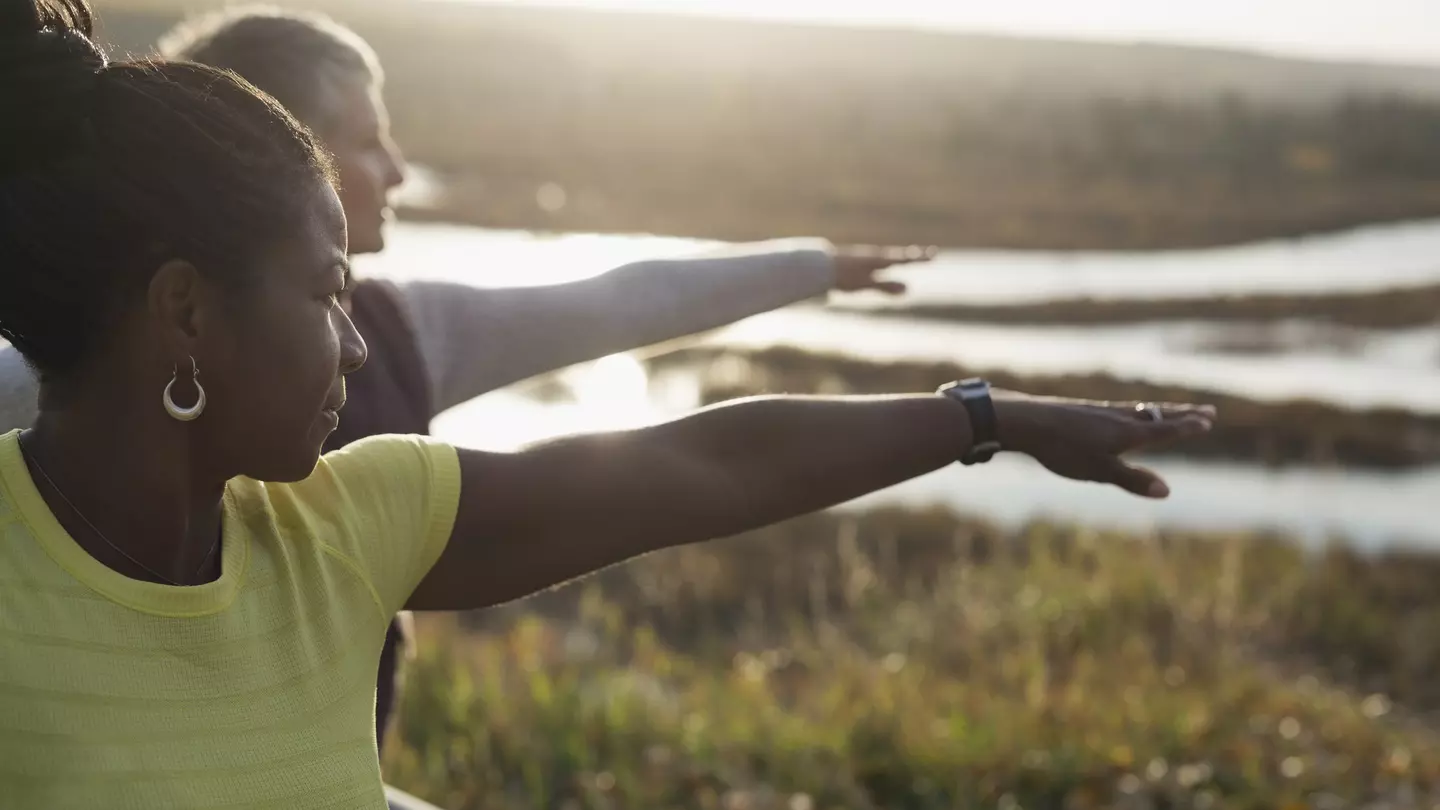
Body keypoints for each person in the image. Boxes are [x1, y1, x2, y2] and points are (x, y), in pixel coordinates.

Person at [0, 1, 1215, 807]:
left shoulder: (342, 524)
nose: (355, 340)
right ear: (186, 312)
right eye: (326, 294)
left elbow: (708, 468)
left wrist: (989, 417)